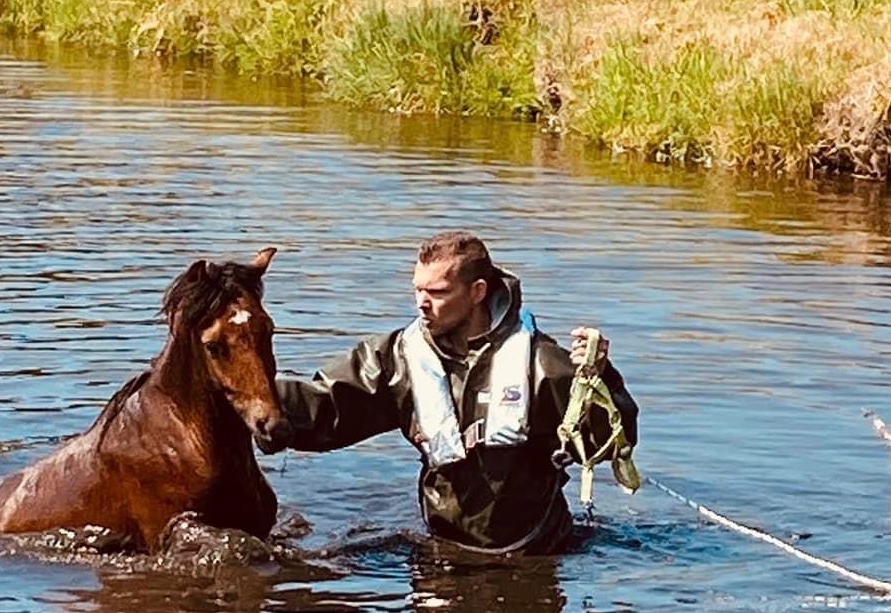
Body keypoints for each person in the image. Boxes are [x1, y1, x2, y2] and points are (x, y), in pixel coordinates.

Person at [266, 231, 639, 556]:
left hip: (536, 552)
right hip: (444, 549)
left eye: (437, 292)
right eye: (417, 289)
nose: (421, 303)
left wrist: (600, 375)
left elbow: (604, 443)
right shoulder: (397, 359)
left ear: (477, 292)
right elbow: (326, 406)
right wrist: (243, 397)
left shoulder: (541, 362)